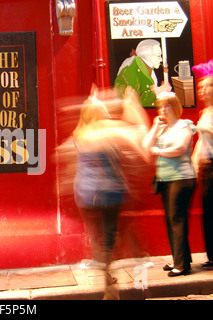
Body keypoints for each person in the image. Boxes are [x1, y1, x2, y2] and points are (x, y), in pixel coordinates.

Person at [70, 86, 149, 298]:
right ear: (97, 113)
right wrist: (133, 104)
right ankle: (131, 284)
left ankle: (108, 276)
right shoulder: (105, 129)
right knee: (118, 237)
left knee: (104, 239)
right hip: (109, 192)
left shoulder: (80, 132)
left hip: (86, 195)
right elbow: (139, 134)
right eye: (103, 108)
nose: (106, 109)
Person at [143, 91, 196, 277]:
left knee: (177, 220)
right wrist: (155, 128)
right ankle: (180, 259)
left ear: (175, 106)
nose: (162, 109)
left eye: (166, 105)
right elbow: (145, 145)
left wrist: (157, 150)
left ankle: (181, 266)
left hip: (181, 179)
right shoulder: (163, 128)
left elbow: (180, 149)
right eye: (160, 106)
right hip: (165, 179)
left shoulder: (184, 126)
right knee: (171, 220)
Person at [191, 60, 213, 269]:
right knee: (208, 212)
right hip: (207, 167)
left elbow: (208, 135)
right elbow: (202, 141)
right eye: (200, 87)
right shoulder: (205, 112)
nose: (202, 90)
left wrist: (207, 130)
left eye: (206, 86)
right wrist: (195, 159)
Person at [114, 39, 163, 107]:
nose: (161, 59)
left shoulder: (148, 68)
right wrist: (159, 92)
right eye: (158, 56)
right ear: (148, 57)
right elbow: (134, 100)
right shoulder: (131, 70)